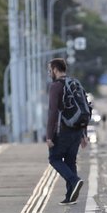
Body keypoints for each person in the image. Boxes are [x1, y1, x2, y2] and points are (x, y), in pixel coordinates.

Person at [46, 57, 87, 204]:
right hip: (77, 130)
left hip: (63, 130)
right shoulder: (75, 83)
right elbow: (85, 107)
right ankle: (70, 195)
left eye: (50, 70)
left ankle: (74, 180)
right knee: (70, 161)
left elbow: (52, 112)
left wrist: (49, 136)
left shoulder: (56, 86)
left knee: (54, 158)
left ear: (56, 69)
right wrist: (84, 134)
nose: (50, 73)